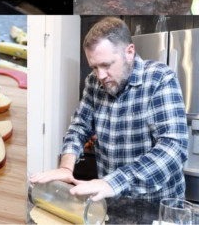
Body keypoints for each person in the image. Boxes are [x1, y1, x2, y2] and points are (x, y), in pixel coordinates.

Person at [29, 17, 188, 202]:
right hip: (112, 203)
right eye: (95, 67)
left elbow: (173, 148)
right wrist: (65, 167)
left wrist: (113, 182)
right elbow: (79, 127)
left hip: (157, 205)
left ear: (129, 52)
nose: (101, 75)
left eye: (106, 65)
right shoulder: (93, 82)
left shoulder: (160, 78)